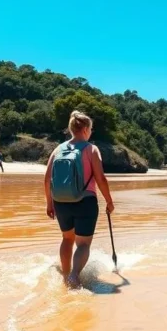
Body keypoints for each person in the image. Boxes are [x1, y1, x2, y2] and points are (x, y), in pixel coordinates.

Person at [44, 111, 114, 289]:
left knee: (67, 239)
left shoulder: (58, 149)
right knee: (83, 243)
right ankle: (75, 276)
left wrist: (49, 203)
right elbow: (101, 178)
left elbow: (47, 179)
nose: (91, 132)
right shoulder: (91, 149)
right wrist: (109, 201)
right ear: (84, 129)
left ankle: (65, 276)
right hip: (85, 202)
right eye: (90, 129)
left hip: (61, 202)